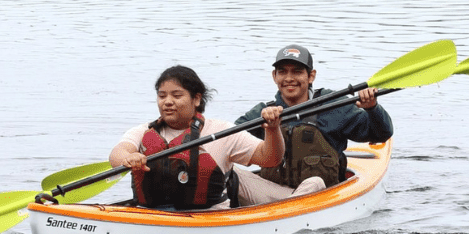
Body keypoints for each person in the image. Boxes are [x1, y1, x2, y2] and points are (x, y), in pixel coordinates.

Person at [232, 45, 394, 206]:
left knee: (315, 182)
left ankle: (285, 213)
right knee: (230, 172)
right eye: (282, 72)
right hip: (273, 194)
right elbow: (231, 143)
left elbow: (381, 133)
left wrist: (372, 108)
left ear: (311, 76)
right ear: (274, 76)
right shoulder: (264, 112)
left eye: (297, 71)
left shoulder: (333, 105)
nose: (289, 78)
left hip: (320, 195)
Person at [110, 65, 284, 210]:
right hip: (151, 215)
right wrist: (129, 158)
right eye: (162, 96)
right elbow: (117, 155)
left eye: (177, 95)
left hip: (208, 218)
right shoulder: (143, 131)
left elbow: (270, 158)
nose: (167, 102)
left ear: (197, 99)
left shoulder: (222, 131)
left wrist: (273, 130)